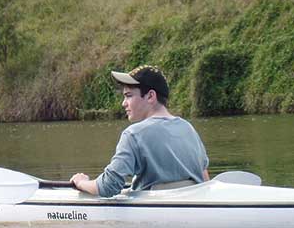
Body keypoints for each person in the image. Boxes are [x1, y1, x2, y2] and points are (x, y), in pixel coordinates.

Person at [70, 65, 209, 197]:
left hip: (153, 213)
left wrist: (81, 182)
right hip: (193, 210)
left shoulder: (133, 134)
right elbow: (205, 180)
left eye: (129, 95)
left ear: (150, 96)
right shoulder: (188, 128)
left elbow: (108, 186)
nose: (123, 103)